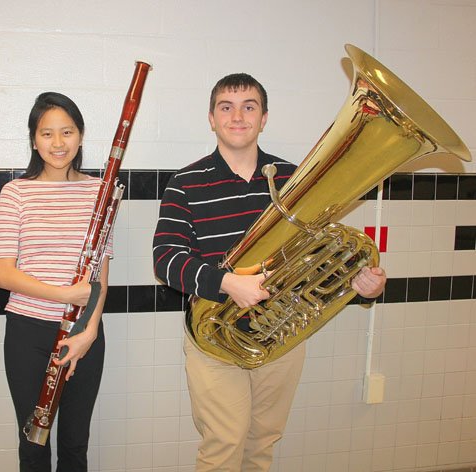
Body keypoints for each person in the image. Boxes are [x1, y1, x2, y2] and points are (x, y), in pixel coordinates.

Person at [152, 73, 387, 472]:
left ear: (263, 118)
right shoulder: (185, 183)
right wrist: (227, 283)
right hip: (214, 335)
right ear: (212, 118)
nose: (238, 116)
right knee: (223, 445)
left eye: (249, 107)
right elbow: (165, 258)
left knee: (262, 445)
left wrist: (359, 284)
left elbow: (320, 255)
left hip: (280, 336)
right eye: (226, 107)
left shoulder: (296, 178)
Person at [0, 92, 111, 472]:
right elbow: (3, 274)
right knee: (33, 446)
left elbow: (100, 278)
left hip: (83, 332)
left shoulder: (99, 192)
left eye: (67, 132)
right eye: (47, 134)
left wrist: (89, 331)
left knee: (75, 446)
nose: (58, 143)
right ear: (33, 139)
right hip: (27, 332)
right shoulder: (16, 193)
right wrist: (64, 293)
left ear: (80, 136)